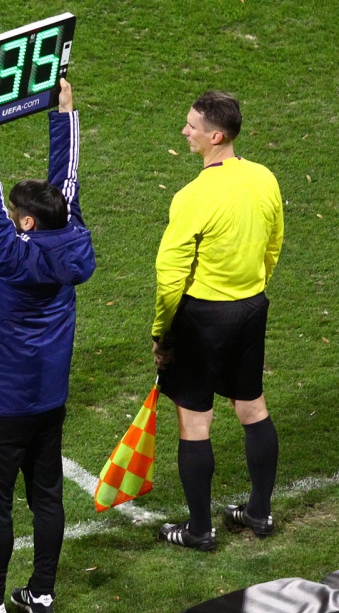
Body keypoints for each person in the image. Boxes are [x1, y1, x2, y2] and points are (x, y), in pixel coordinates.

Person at [0, 79, 95, 613]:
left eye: (17, 212)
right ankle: (43, 594)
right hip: (49, 401)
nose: (9, 215)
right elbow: (67, 183)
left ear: (27, 223)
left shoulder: (10, 256)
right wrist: (64, 115)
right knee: (47, 496)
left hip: (2, 402)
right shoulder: (71, 237)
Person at [153, 91, 284, 551]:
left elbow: (170, 274)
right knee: (252, 408)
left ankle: (199, 530)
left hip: (202, 317)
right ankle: (259, 512)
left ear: (216, 136)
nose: (184, 132)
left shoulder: (194, 195)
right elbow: (273, 241)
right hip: (251, 307)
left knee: (195, 422)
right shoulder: (264, 177)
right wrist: (254, 286)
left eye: (192, 126)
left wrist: (162, 330)